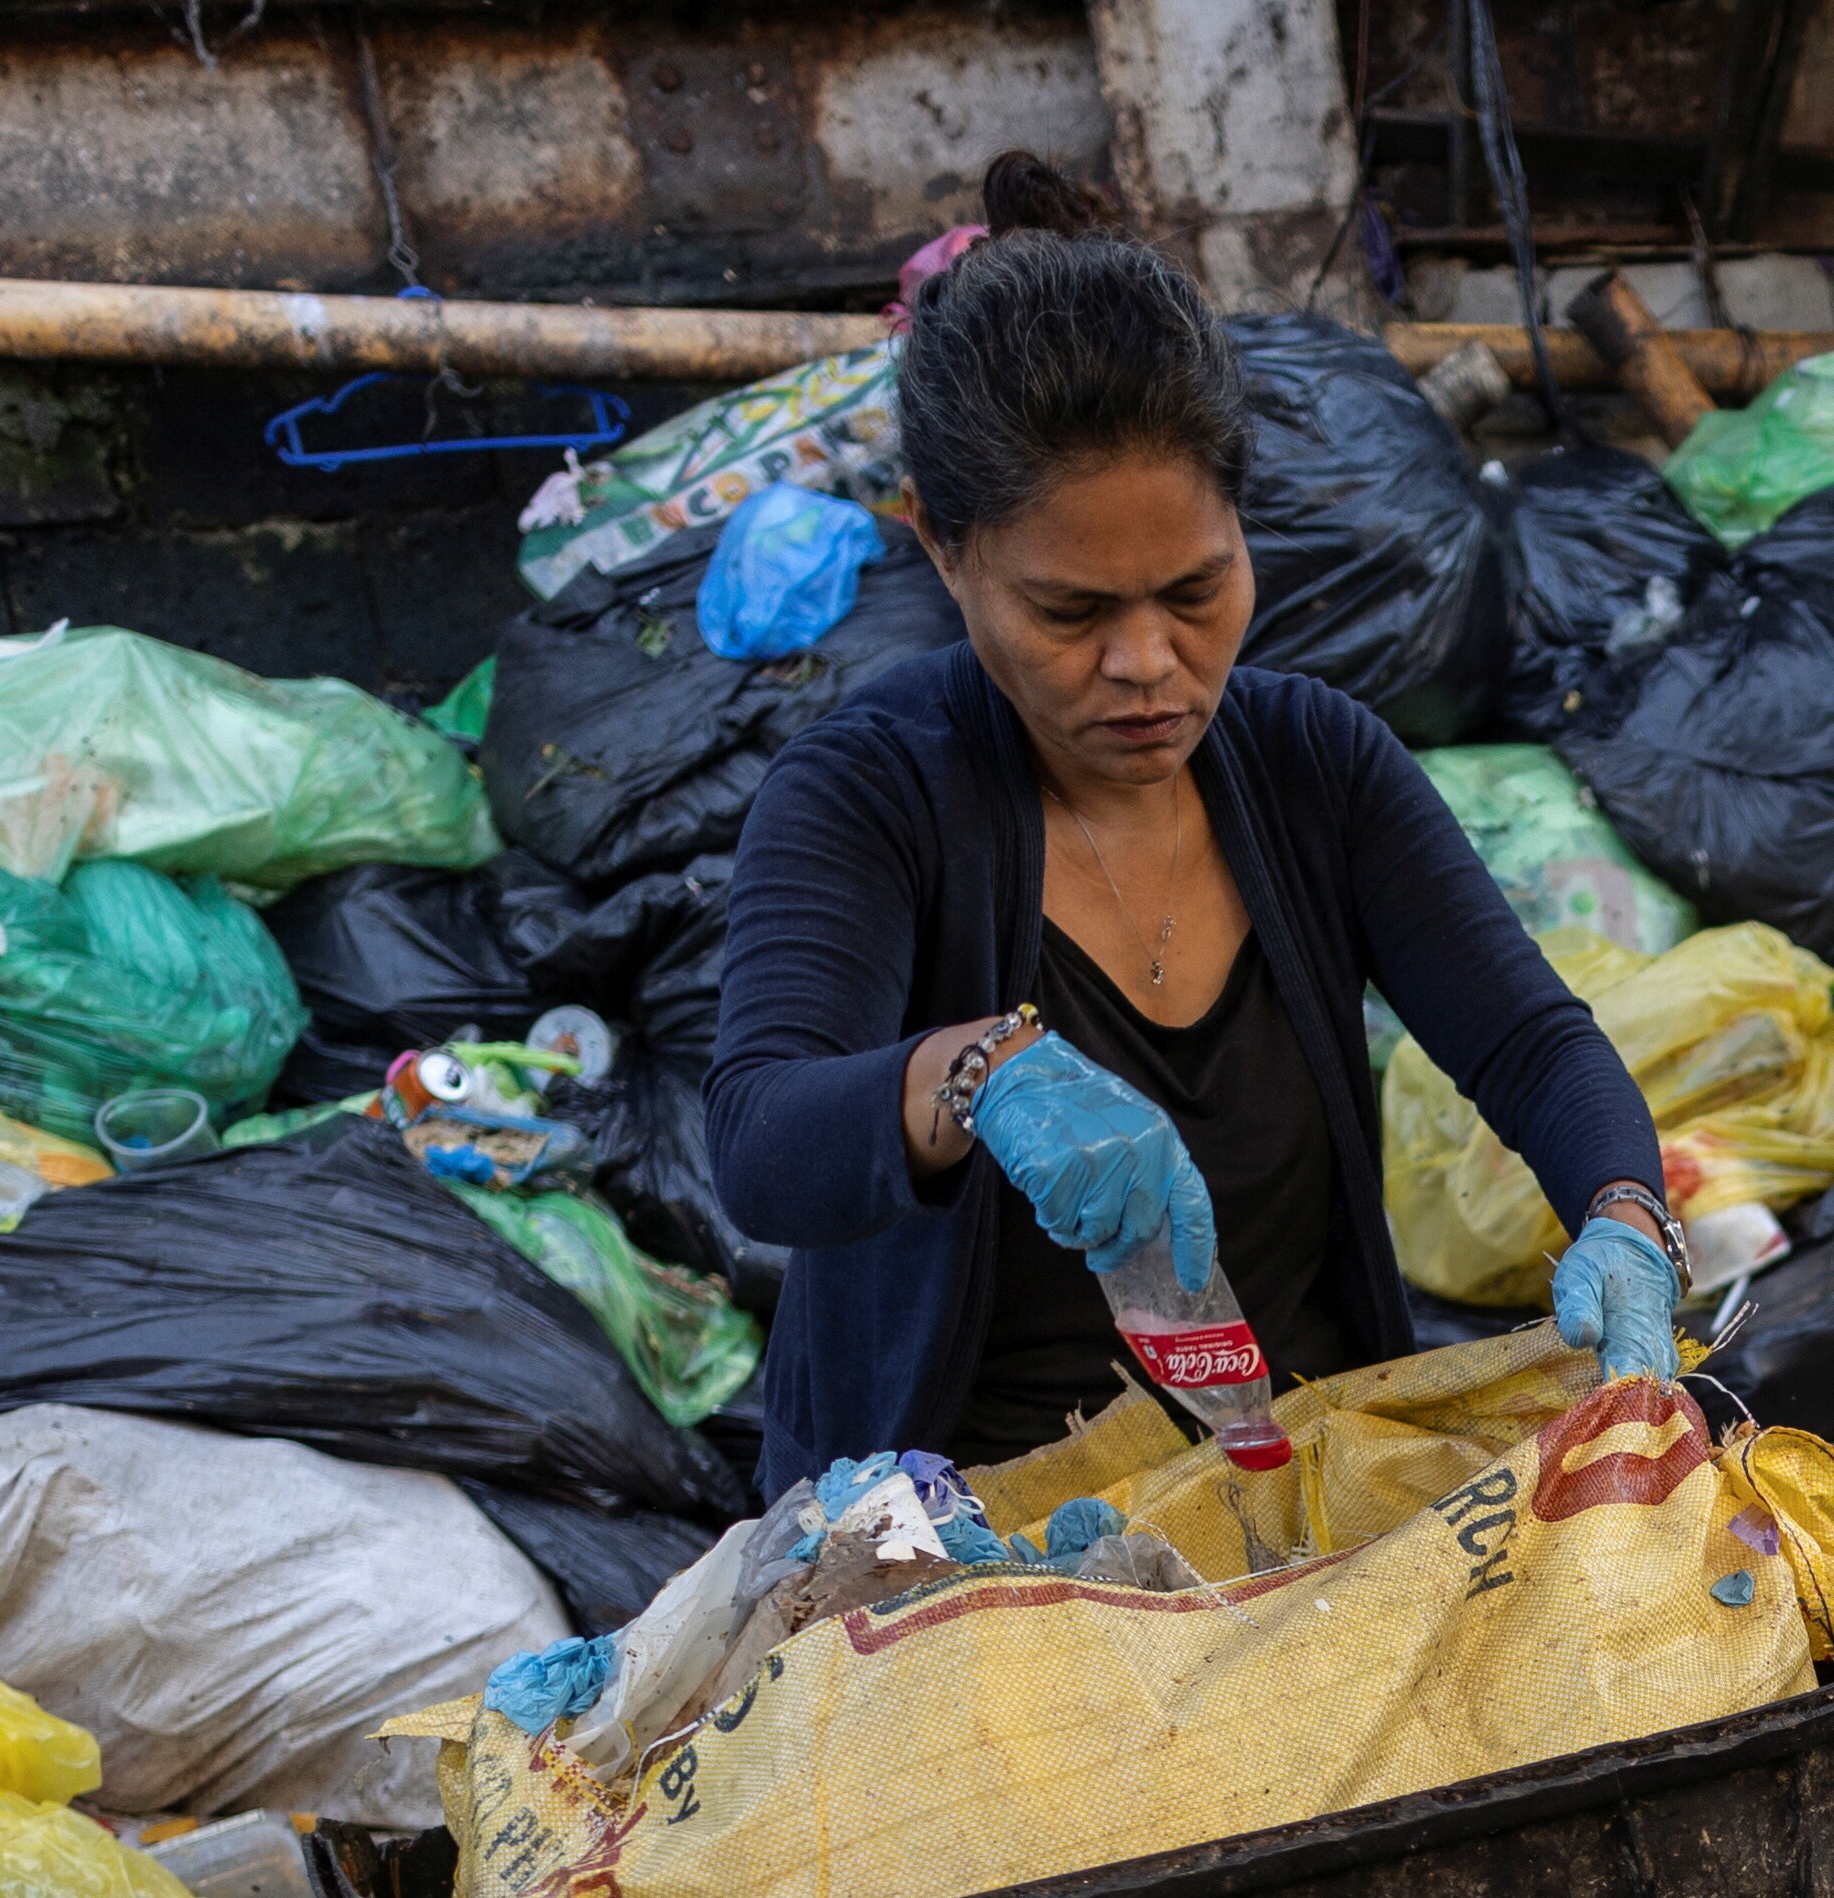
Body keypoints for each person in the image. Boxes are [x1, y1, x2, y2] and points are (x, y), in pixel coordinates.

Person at [710, 156, 1676, 1495]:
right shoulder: (865, 796)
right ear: (940, 544)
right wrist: (972, 1078)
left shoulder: (1314, 764)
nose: (1148, 664)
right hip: (965, 1547)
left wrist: (1624, 1220)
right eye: (1070, 613)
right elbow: (761, 1144)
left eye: (1196, 588)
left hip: (1287, 1501)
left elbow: (1525, 1042)